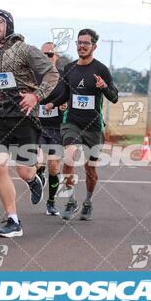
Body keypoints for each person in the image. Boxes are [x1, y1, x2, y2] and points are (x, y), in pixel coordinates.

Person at [0, 9, 59, 237]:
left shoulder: (25, 50)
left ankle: (33, 177)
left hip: (23, 114)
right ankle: (13, 221)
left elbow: (52, 75)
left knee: (24, 170)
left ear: (9, 25)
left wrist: (36, 96)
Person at [45, 28, 118, 221]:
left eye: (86, 43)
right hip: (72, 122)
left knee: (90, 169)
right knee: (69, 157)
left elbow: (114, 97)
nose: (82, 46)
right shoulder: (69, 68)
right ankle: (71, 200)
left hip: (93, 126)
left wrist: (104, 87)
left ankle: (87, 201)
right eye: (79, 42)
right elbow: (66, 94)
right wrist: (53, 103)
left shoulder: (101, 69)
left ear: (94, 46)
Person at [35, 42, 67, 216]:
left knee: (54, 166)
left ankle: (51, 202)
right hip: (36, 126)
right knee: (37, 161)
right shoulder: (33, 76)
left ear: (57, 57)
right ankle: (39, 175)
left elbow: (70, 97)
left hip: (56, 126)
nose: (47, 57)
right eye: (44, 54)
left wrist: (66, 105)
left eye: (50, 54)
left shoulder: (64, 77)